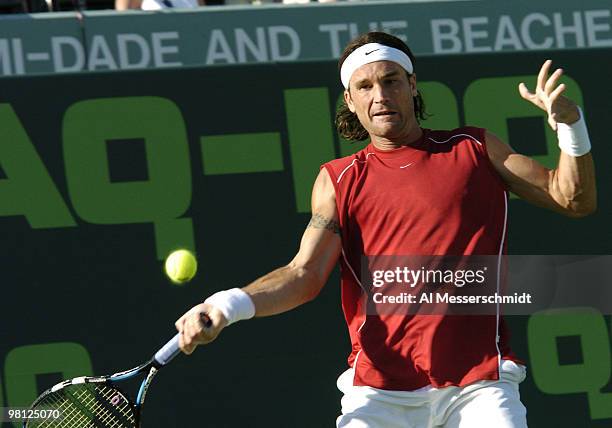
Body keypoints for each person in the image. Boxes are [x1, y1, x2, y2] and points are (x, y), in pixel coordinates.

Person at [174, 31, 596, 427]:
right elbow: (303, 274)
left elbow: (573, 199)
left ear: (412, 84)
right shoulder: (339, 181)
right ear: (349, 99)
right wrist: (226, 305)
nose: (380, 96)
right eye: (365, 86)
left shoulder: (474, 149)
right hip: (379, 396)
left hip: (481, 386)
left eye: (391, 80)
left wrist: (571, 126)